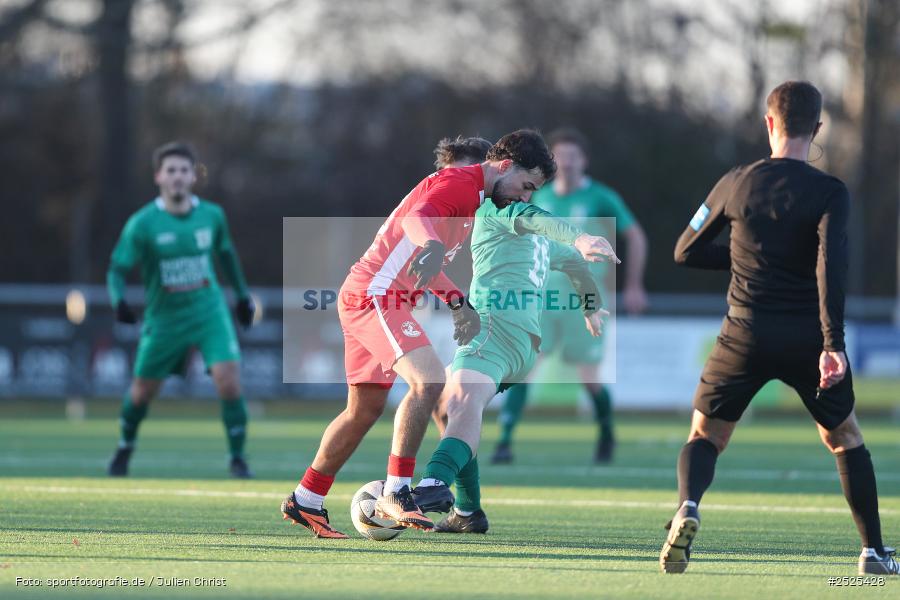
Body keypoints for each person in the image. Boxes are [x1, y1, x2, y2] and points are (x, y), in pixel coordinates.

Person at [281, 130, 616, 537]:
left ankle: (307, 499)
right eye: (526, 186)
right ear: (504, 166)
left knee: (364, 411)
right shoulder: (461, 185)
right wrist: (432, 247)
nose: (526, 196)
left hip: (388, 298)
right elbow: (416, 219)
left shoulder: (478, 205)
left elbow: (428, 262)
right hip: (376, 294)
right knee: (432, 382)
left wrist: (456, 301)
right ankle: (399, 491)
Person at [659, 81, 898, 576]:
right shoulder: (830, 191)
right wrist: (834, 344)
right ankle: (874, 552)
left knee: (705, 434)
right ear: (817, 128)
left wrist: (744, 256)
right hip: (808, 340)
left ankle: (687, 507)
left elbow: (683, 250)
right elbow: (831, 266)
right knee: (846, 438)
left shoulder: (734, 182)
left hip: (742, 334)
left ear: (769, 123)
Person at [412, 183, 617, 534]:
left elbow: (538, 220)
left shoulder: (494, 211)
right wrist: (591, 307)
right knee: (444, 402)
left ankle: (434, 483)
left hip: (492, 333)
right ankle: (467, 511)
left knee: (460, 402)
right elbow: (576, 266)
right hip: (522, 347)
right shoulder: (542, 244)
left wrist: (580, 238)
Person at [491, 128, 648, 465]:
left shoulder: (602, 197)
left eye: (572, 156)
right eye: (560, 156)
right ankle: (504, 441)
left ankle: (606, 433)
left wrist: (633, 284)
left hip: (586, 299)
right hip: (542, 300)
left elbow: (635, 236)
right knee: (524, 369)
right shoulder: (538, 195)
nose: (566, 162)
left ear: (584, 160)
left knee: (589, 378)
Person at [106, 142, 255, 479]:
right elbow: (116, 268)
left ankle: (238, 458)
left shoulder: (212, 215)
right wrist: (118, 301)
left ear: (193, 176)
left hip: (209, 312)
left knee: (228, 381)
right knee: (142, 392)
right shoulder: (143, 223)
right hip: (165, 319)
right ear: (159, 176)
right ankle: (125, 446)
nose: (177, 177)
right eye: (170, 170)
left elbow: (227, 255)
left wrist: (243, 297)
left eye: (183, 170)